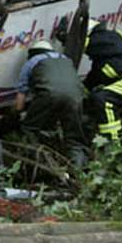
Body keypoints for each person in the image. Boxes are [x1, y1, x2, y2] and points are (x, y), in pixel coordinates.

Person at [14, 39, 87, 167]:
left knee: (30, 130)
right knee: (74, 138)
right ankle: (79, 170)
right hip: (76, 97)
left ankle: (35, 164)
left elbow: (21, 93)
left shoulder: (32, 62)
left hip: (48, 95)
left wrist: (17, 114)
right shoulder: (66, 59)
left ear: (33, 53)